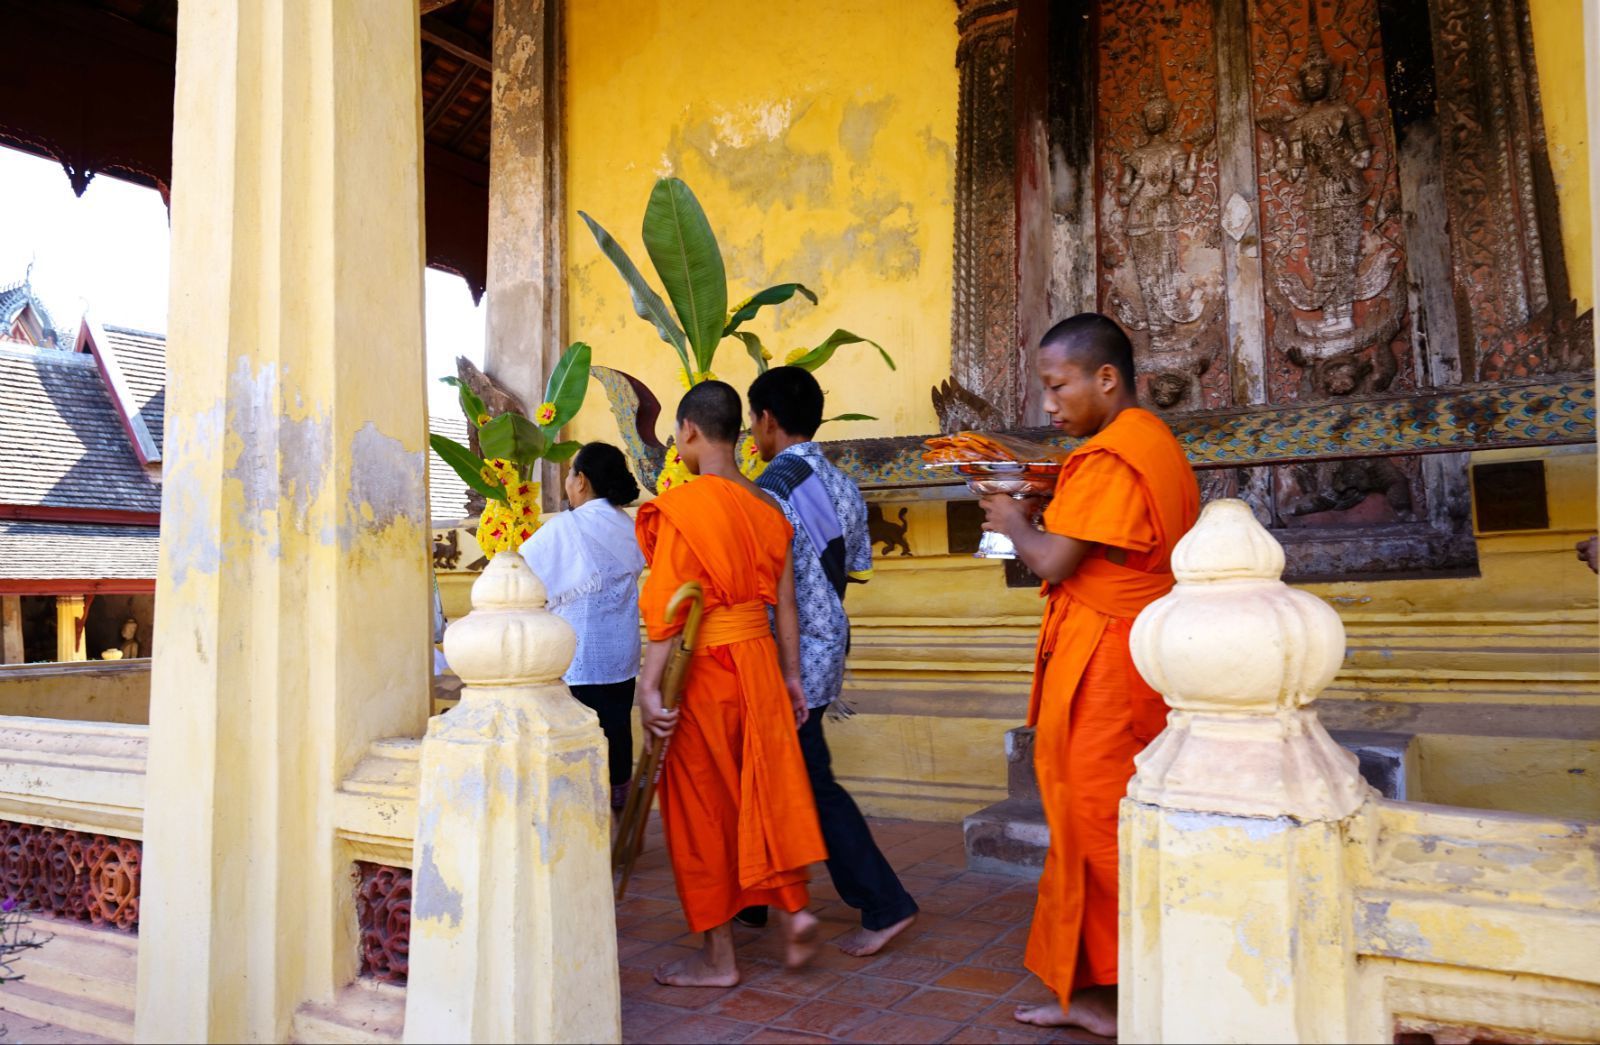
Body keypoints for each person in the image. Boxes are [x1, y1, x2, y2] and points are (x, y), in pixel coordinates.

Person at [979, 313, 1199, 1038]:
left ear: (1106, 378)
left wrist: (1011, 519)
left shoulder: (1112, 455)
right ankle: (1104, 980)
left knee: (1094, 822)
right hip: (1135, 651)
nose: (1048, 405)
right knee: (1101, 818)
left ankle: (1109, 991)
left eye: (1056, 386)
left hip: (1106, 664)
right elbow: (1101, 548)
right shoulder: (1155, 445)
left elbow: (1051, 562)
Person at [635, 380, 826, 987]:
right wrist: (793, 679)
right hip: (762, 665)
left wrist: (648, 688)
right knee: (766, 793)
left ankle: (719, 959)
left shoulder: (686, 508)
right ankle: (795, 916)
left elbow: (668, 608)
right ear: (739, 433)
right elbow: (787, 605)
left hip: (707, 671)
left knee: (703, 808)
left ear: (688, 431)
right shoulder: (768, 507)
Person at [734, 366, 919, 956]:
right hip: (828, 642)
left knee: (811, 782)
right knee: (768, 773)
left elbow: (763, 584)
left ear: (765, 420)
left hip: (787, 655)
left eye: (753, 421)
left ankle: (883, 902)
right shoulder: (842, 483)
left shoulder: (770, 488)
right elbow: (856, 566)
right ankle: (755, 901)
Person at [519, 442, 646, 811]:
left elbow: (518, 575)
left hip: (581, 656)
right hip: (621, 653)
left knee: (579, 741)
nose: (568, 483)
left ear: (582, 481)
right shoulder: (628, 525)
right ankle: (617, 819)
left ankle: (582, 820)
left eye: (571, 474)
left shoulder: (568, 527)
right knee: (616, 730)